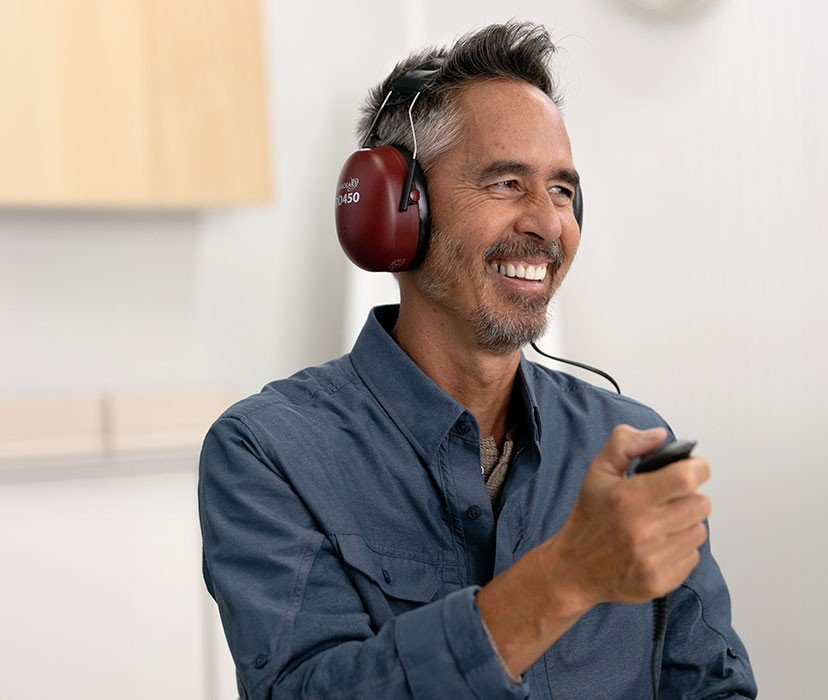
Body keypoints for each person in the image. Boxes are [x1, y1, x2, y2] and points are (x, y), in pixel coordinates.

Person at [199, 21, 757, 699]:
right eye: (506, 183)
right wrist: (566, 576)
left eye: (560, 190)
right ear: (397, 213)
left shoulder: (629, 445)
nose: (548, 225)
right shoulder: (270, 452)